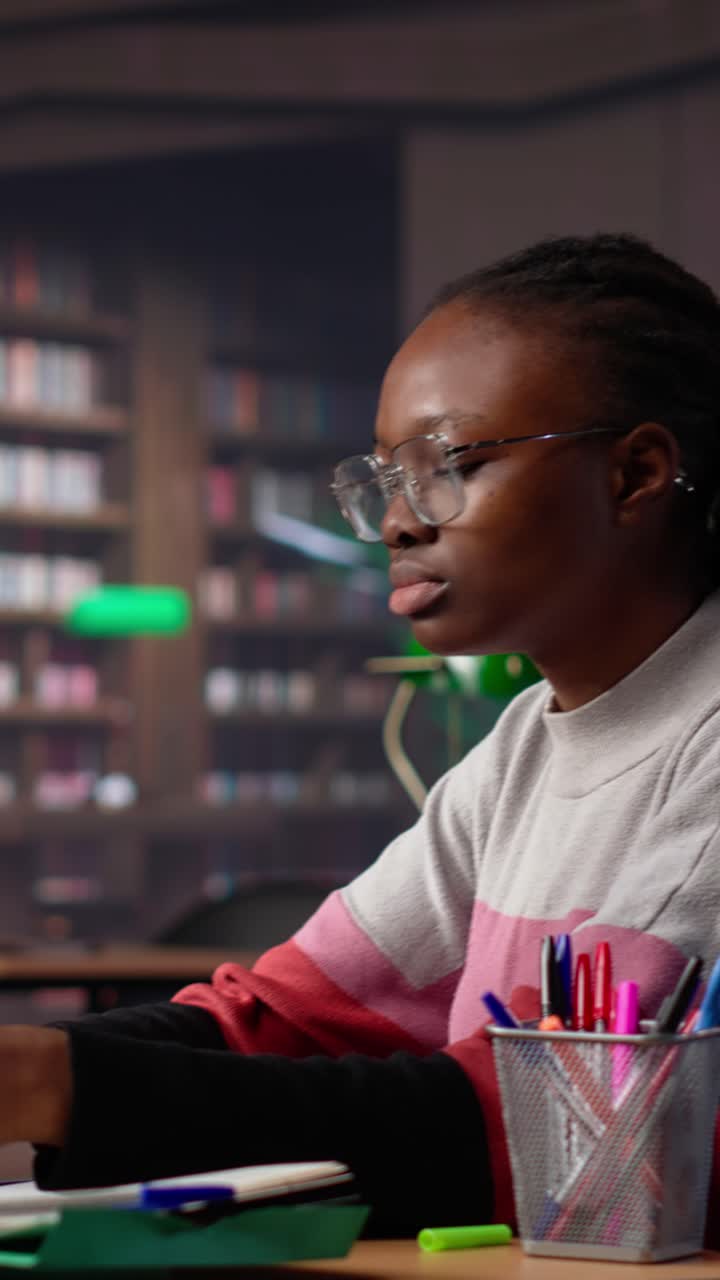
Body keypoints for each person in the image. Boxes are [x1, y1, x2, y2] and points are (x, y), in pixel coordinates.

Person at [2, 232, 720, 1239]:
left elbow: (573, 1133)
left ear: (637, 473)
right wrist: (31, 1066)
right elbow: (279, 1019)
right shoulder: (523, 744)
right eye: (385, 477)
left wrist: (59, 1084)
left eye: (450, 464)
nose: (394, 520)